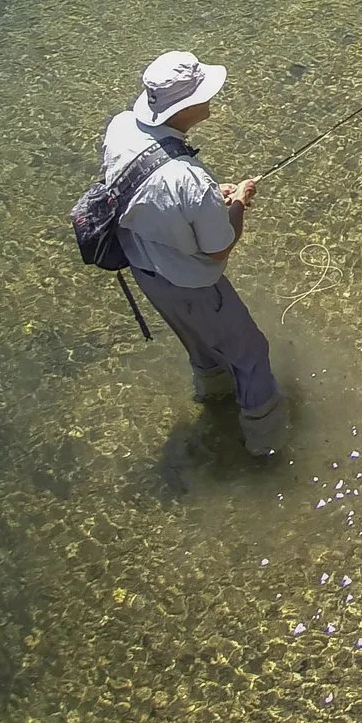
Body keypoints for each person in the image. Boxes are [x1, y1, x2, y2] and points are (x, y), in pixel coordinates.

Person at [102, 49, 290, 456]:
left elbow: (148, 197)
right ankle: (266, 444)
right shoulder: (189, 180)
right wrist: (238, 200)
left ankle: (213, 395)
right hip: (192, 286)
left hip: (146, 272)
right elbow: (219, 248)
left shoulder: (121, 128)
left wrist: (206, 203)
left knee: (199, 344)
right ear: (187, 107)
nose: (210, 98)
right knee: (251, 354)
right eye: (204, 93)